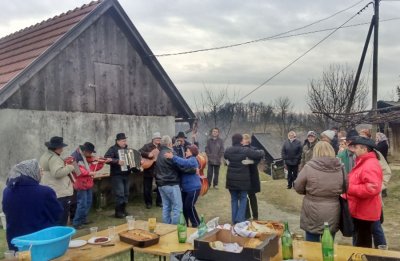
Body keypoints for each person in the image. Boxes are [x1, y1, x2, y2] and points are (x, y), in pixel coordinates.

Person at [2, 159, 63, 251]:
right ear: (32, 172)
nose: (41, 173)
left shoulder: (7, 191)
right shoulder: (45, 192)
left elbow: (6, 210)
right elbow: (57, 214)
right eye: (40, 171)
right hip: (39, 241)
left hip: (16, 241)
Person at [294, 141, 343, 242]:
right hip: (333, 209)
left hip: (312, 209)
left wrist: (309, 192)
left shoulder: (309, 167)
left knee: (312, 245)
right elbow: (345, 187)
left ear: (315, 152)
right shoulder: (340, 167)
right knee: (328, 245)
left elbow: (298, 186)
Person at [346, 136, 383, 248]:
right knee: (358, 242)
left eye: (357, 147)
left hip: (365, 213)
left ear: (364, 149)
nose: (354, 150)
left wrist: (348, 188)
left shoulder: (370, 164)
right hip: (359, 210)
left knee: (363, 245)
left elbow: (372, 188)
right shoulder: (363, 162)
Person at [224, 133, 265, 224]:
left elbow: (225, 157)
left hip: (231, 180)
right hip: (243, 181)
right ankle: (239, 219)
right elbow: (259, 154)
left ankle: (234, 220)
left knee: (234, 200)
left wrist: (228, 162)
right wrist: (260, 152)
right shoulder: (245, 150)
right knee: (243, 198)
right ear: (240, 141)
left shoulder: (228, 150)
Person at [70, 142, 108, 229]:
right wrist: (89, 172)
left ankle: (83, 219)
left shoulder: (85, 157)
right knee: (82, 204)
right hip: (80, 183)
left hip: (87, 182)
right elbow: (77, 171)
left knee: (88, 202)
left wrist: (101, 162)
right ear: (85, 151)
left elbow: (94, 167)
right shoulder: (74, 157)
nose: (91, 155)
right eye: (90, 153)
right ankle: (76, 222)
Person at [39, 136, 75, 225]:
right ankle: (60, 236)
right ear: (57, 148)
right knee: (61, 218)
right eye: (61, 147)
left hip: (50, 190)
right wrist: (70, 167)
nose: (62, 150)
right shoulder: (54, 158)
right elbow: (57, 173)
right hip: (59, 192)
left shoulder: (46, 155)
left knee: (53, 218)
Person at [165, 145, 201, 227]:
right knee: (184, 207)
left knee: (189, 206)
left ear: (192, 152)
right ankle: (186, 224)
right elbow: (181, 165)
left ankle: (196, 224)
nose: (185, 152)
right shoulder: (187, 159)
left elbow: (184, 163)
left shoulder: (193, 159)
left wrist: (173, 157)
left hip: (194, 188)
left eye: (187, 151)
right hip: (185, 189)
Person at [155, 135, 183, 224]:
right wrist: (193, 169)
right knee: (177, 208)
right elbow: (180, 166)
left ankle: (166, 228)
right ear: (170, 144)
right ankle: (174, 230)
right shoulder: (169, 153)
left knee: (166, 207)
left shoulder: (159, 153)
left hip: (161, 184)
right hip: (171, 183)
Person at [104, 133, 132, 218]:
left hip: (126, 174)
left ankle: (123, 210)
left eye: (125, 140)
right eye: (123, 141)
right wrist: (117, 161)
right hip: (117, 175)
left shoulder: (127, 149)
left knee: (126, 193)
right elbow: (106, 159)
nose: (125, 142)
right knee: (120, 194)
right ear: (118, 141)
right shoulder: (112, 149)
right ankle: (118, 212)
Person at [139, 132, 163, 209]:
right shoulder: (147, 146)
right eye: (157, 138)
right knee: (147, 187)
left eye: (159, 138)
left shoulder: (162, 147)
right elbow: (139, 151)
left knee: (160, 186)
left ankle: (159, 202)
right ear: (153, 139)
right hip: (148, 168)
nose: (158, 140)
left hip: (159, 168)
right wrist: (148, 154)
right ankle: (148, 203)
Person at [242, 134, 261, 221]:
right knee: (244, 196)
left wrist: (252, 161)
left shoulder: (254, 149)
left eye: (247, 139)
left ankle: (255, 216)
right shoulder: (240, 149)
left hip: (252, 175)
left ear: (249, 140)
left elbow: (258, 158)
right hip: (243, 175)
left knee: (252, 196)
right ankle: (247, 216)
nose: (245, 140)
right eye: (244, 139)